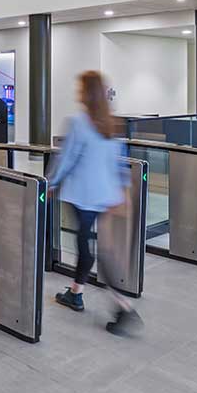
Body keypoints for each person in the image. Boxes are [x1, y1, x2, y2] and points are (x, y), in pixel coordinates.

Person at [49, 71, 142, 336]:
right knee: (92, 246)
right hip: (105, 195)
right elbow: (117, 160)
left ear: (86, 93)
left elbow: (67, 158)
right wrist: (121, 190)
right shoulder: (109, 124)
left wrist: (51, 182)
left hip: (83, 195)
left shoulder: (78, 122)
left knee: (90, 249)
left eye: (80, 88)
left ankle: (124, 307)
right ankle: (76, 293)